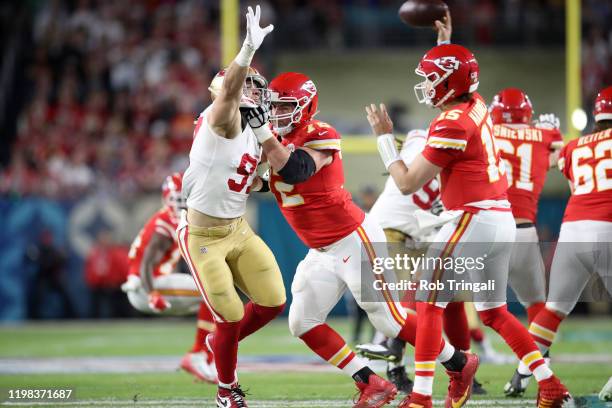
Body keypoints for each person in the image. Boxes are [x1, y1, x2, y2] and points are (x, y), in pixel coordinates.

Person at [242, 70, 474, 408]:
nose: (277, 113)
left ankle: (460, 363)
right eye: (273, 107)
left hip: (353, 238)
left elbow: (296, 170)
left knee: (388, 319)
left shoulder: (320, 133)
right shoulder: (275, 140)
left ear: (306, 107)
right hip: (320, 249)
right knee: (302, 322)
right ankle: (371, 383)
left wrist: (262, 133)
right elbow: (274, 181)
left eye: (285, 106)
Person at [364, 36, 570, 408]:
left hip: (471, 219)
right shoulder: (474, 104)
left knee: (427, 305)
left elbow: (408, 182)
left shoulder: (454, 123)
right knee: (494, 313)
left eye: (431, 78)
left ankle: (423, 397)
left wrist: (383, 141)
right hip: (499, 218)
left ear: (448, 82)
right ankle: (549, 382)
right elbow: (458, 81)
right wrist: (446, 45)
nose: (425, 85)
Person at [177, 5, 286, 407]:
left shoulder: (255, 127)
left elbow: (253, 176)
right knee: (230, 315)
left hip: (237, 229)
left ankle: (218, 343)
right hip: (204, 236)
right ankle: (227, 390)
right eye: (250, 84)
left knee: (274, 301)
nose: (258, 91)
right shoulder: (219, 117)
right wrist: (246, 51)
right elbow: (229, 93)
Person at [509, 86, 612, 397]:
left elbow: (571, 181)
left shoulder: (573, 147)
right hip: (606, 226)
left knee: (553, 309)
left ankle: (524, 372)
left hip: (572, 228)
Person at [488, 88, 566, 396]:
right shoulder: (542, 135)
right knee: (536, 305)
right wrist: (555, 134)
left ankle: (454, 371)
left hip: (488, 229)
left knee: (450, 303)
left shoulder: (487, 131)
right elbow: (559, 160)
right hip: (523, 231)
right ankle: (537, 370)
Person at [122, 173, 217, 384]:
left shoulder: (179, 219)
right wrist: (152, 292)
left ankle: (208, 360)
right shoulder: (164, 223)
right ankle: (198, 355)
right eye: (178, 199)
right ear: (167, 199)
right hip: (146, 287)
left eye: (185, 198)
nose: (182, 204)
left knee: (219, 302)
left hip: (153, 284)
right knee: (214, 292)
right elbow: (147, 262)